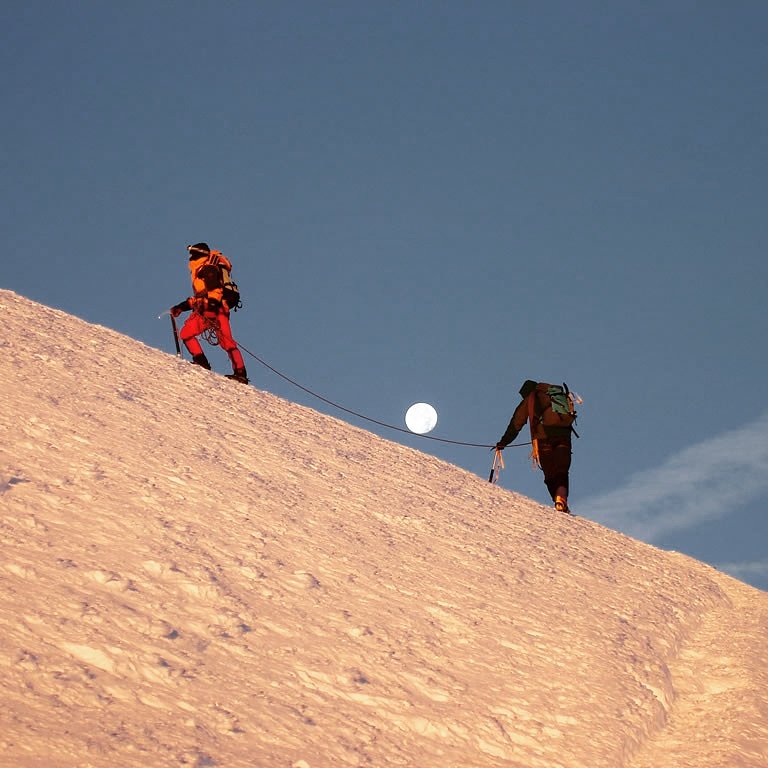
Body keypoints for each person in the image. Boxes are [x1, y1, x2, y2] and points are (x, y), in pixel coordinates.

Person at [170, 243, 249, 384]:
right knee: (227, 341)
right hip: (219, 310)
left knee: (186, 333)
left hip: (209, 310)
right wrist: (181, 307)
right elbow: (202, 296)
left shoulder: (205, 268)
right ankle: (240, 373)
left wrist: (210, 309)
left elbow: (214, 291)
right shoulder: (206, 267)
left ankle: (202, 362)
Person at [495, 379, 575, 513]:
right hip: (563, 437)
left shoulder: (530, 399)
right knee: (562, 470)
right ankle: (562, 498)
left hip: (543, 440)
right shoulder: (554, 394)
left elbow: (516, 423)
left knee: (550, 474)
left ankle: (558, 502)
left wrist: (503, 442)